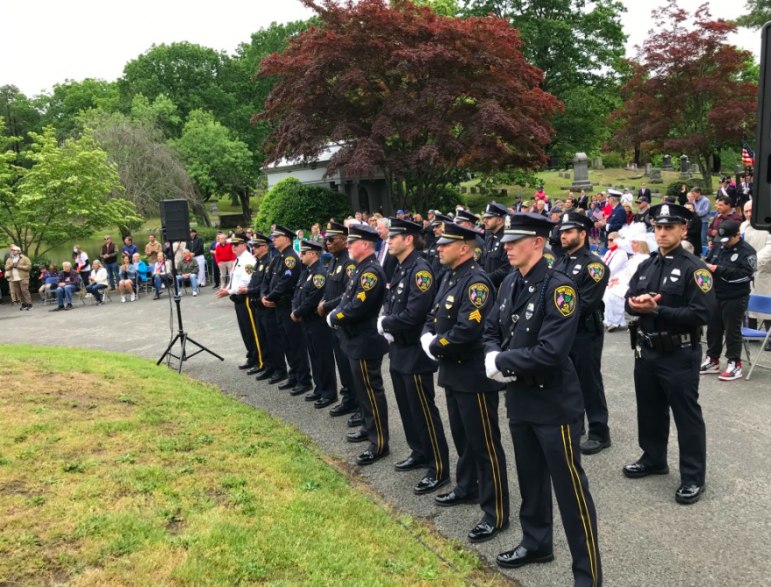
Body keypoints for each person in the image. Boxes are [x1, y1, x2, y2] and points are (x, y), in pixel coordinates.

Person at [484, 213, 602, 586]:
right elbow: (490, 328)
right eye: (505, 240)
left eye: (514, 240)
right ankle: (536, 543)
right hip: (520, 399)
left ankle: (588, 574)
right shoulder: (509, 285)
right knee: (531, 480)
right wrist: (493, 356)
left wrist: (501, 361)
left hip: (553, 403)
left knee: (571, 493)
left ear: (538, 242)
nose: (506, 246)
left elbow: (551, 351)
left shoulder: (559, 288)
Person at [421, 222, 509, 544]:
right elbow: (434, 315)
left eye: (445, 244)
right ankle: (467, 487)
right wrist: (428, 334)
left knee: (485, 445)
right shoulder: (450, 277)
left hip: (473, 376)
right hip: (454, 374)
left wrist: (434, 345)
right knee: (463, 438)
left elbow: (467, 331)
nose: (438, 248)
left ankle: (495, 512)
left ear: (464, 248)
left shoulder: (477, 283)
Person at [624, 203, 715, 505]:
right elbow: (628, 298)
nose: (662, 233)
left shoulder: (695, 268)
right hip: (647, 349)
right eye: (658, 228)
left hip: (679, 352)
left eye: (669, 228)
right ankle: (653, 459)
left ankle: (692, 477)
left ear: (682, 230)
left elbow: (701, 313)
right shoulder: (647, 265)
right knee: (650, 410)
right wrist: (635, 304)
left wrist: (658, 308)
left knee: (686, 416)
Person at [379, 217, 450, 495]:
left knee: (423, 411)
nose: (388, 240)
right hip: (399, 349)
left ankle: (438, 468)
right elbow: (392, 302)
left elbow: (415, 314)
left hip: (414, 351)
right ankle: (419, 451)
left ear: (409, 238)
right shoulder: (400, 267)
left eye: (393, 236)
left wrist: (385, 324)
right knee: (408, 409)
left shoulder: (420, 270)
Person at [329, 224, 390, 466]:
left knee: (372, 393)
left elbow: (356, 306)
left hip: (366, 341)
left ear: (365, 244)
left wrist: (335, 317)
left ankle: (379, 443)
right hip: (356, 340)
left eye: (352, 242)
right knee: (363, 392)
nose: (348, 245)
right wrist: (337, 311)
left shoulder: (371, 272)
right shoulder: (361, 269)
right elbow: (347, 298)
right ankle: (367, 427)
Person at [554, 212, 612, 456]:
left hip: (584, 332)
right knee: (567, 382)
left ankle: (599, 432)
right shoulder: (560, 262)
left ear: (582, 234)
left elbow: (585, 303)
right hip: (563, 332)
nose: (563, 235)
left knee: (589, 382)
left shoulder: (595, 265)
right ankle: (574, 425)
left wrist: (553, 318)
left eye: (568, 231)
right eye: (562, 231)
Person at [701, 220, 756, 381]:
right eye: (721, 240)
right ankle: (713, 359)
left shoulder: (747, 251)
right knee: (713, 329)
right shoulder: (718, 245)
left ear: (738, 235)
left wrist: (718, 270)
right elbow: (708, 261)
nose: (724, 244)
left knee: (732, 331)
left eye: (727, 240)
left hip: (735, 296)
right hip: (715, 294)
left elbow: (746, 275)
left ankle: (734, 364)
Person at [263, 225, 312, 395]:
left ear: (286, 239)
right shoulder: (277, 259)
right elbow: (266, 279)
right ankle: (294, 375)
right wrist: (265, 295)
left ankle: (304, 379)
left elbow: (285, 283)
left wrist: (268, 297)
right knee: (286, 343)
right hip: (277, 306)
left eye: (277, 236)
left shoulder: (291, 258)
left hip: (287, 305)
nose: (273, 239)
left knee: (295, 343)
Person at [318, 221, 360, 421]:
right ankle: (349, 397)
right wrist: (323, 301)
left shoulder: (349, 263)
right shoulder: (334, 260)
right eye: (326, 240)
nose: (328, 243)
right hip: (333, 321)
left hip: (344, 320)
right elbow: (330, 289)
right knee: (341, 364)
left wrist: (326, 306)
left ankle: (359, 402)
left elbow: (347, 293)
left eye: (332, 240)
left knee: (350, 364)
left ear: (344, 240)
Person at [292, 240, 337, 408]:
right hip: (306, 321)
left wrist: (297, 312)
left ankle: (329, 393)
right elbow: (297, 293)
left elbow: (313, 299)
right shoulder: (306, 272)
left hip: (317, 321)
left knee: (323, 358)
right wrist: (294, 309)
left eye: (303, 253)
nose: (301, 256)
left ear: (313, 254)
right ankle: (319, 388)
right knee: (314, 356)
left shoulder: (319, 274)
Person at [215, 233, 263, 373]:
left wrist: (229, 292)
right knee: (245, 331)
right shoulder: (239, 259)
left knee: (252, 331)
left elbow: (245, 283)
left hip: (246, 298)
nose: (233, 247)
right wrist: (228, 288)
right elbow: (234, 279)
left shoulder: (248, 260)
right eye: (232, 245)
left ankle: (259, 361)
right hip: (238, 299)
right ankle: (251, 357)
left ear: (244, 245)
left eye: (236, 245)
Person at [603, 224, 653, 332]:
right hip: (626, 281)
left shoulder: (644, 258)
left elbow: (635, 276)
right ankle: (611, 320)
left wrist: (621, 281)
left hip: (635, 284)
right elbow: (625, 271)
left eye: (635, 243)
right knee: (608, 290)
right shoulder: (635, 257)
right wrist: (616, 279)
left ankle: (615, 320)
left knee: (612, 294)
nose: (632, 245)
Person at [245, 232, 281, 380]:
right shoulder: (258, 263)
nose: (254, 249)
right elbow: (255, 283)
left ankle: (279, 369)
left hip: (265, 306)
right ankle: (268, 366)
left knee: (273, 340)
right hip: (258, 306)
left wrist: (249, 291)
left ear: (265, 247)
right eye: (253, 246)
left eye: (257, 246)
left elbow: (262, 286)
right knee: (262, 338)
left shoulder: (269, 263)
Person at [482, 202, 512, 287]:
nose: (485, 220)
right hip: (488, 286)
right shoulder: (489, 238)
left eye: (489, 218)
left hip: (501, 288)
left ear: (499, 220)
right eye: (485, 217)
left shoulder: (507, 239)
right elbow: (483, 262)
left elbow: (507, 269)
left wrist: (485, 278)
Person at [5, 246, 32, 311]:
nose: (13, 251)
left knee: (25, 291)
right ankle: (24, 304)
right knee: (18, 292)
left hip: (23, 278)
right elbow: (6, 268)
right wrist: (10, 265)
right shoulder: (9, 259)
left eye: (14, 250)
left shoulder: (24, 258)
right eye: (12, 250)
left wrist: (19, 266)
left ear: (19, 251)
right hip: (14, 278)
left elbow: (29, 267)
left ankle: (29, 304)